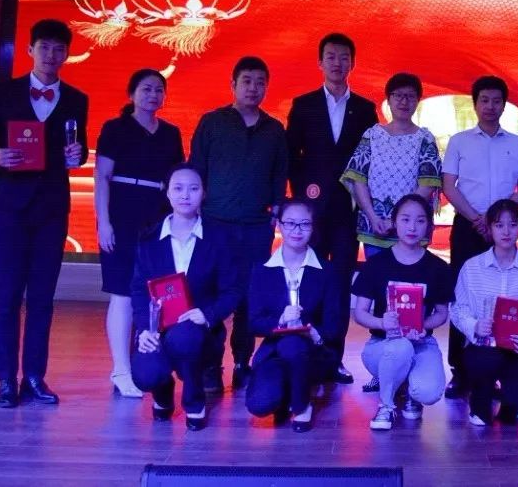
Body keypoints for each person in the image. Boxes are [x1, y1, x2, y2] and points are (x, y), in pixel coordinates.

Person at [0, 19, 89, 408]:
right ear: (30, 50)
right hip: (10, 209)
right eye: (44, 47)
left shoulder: (77, 99)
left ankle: (34, 376)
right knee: (8, 296)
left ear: (67, 54)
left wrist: (77, 155)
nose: (51, 55)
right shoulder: (6, 92)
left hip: (51, 209)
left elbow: (78, 150)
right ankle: (5, 380)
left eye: (59, 49)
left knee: (43, 297)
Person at [189, 56, 287, 392]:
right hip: (213, 223)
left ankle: (243, 362)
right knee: (212, 293)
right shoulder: (212, 122)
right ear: (233, 85)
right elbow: (196, 169)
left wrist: (276, 210)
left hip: (257, 227)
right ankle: (210, 366)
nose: (253, 88)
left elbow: (279, 174)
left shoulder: (274, 129)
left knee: (248, 295)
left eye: (260, 82)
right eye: (247, 81)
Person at [287, 33, 378, 384]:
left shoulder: (366, 109)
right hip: (310, 213)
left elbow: (370, 160)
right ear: (320, 62)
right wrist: (303, 196)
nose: (337, 63)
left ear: (352, 63)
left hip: (346, 213)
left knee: (339, 284)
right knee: (308, 279)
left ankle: (333, 358)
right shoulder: (304, 104)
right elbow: (292, 155)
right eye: (330, 56)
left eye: (343, 57)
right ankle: (305, 352)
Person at [94, 69, 184, 398]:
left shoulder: (171, 133)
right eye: (146, 89)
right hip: (122, 214)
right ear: (131, 94)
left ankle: (145, 364)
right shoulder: (115, 128)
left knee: (155, 292)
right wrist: (104, 223)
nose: (153, 95)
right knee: (121, 291)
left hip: (157, 217)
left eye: (159, 90)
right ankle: (120, 369)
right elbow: (102, 177)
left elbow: (177, 179)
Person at [130, 164, 241, 431]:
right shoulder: (149, 239)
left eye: (193, 188)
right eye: (178, 188)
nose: (185, 195)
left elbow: (233, 291)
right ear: (167, 192)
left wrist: (208, 314)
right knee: (145, 375)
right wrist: (144, 330)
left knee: (186, 337)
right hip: (158, 329)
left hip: (200, 331)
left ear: (204, 193)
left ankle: (194, 398)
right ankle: (163, 390)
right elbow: (138, 290)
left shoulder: (219, 238)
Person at [441, 76, 518, 398]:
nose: (490, 106)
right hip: (468, 226)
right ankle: (459, 371)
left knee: (503, 295)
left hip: (502, 230)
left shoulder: (517, 144)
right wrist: (477, 218)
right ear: (475, 104)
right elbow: (449, 186)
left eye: (496, 101)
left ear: (504, 105)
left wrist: (496, 220)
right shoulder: (459, 141)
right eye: (484, 100)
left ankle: (496, 368)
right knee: (462, 295)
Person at [352, 194, 453, 430]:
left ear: (429, 226)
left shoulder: (438, 268)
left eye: (420, 221)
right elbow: (360, 313)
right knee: (400, 347)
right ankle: (386, 405)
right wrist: (382, 323)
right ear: (394, 222)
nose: (412, 227)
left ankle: (409, 391)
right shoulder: (377, 264)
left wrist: (422, 325)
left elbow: (441, 313)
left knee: (429, 392)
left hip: (421, 343)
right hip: (382, 345)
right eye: (405, 219)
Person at [449, 200, 518, 426]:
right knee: (483, 366)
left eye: (513, 224)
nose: (506, 231)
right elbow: (458, 308)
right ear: (489, 228)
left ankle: (507, 401)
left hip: (517, 348)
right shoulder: (472, 267)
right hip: (483, 347)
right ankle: (480, 400)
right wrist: (474, 326)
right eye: (499, 225)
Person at [245, 199, 344, 433]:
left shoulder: (327, 271)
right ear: (279, 225)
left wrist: (313, 333)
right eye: (290, 223)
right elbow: (254, 322)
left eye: (304, 224)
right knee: (259, 404)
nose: (297, 231)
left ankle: (301, 404)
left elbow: (334, 325)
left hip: (314, 353)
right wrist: (280, 320)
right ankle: (289, 391)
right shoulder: (262, 270)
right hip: (275, 353)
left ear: (313, 227)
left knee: (294, 343)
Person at [342, 72, 441, 258]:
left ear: (418, 101)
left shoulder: (425, 139)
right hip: (376, 228)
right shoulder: (372, 135)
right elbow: (358, 179)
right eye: (398, 95)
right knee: (377, 275)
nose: (404, 102)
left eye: (410, 96)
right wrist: (373, 217)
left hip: (412, 229)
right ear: (388, 99)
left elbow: (428, 184)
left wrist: (397, 220)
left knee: (410, 276)